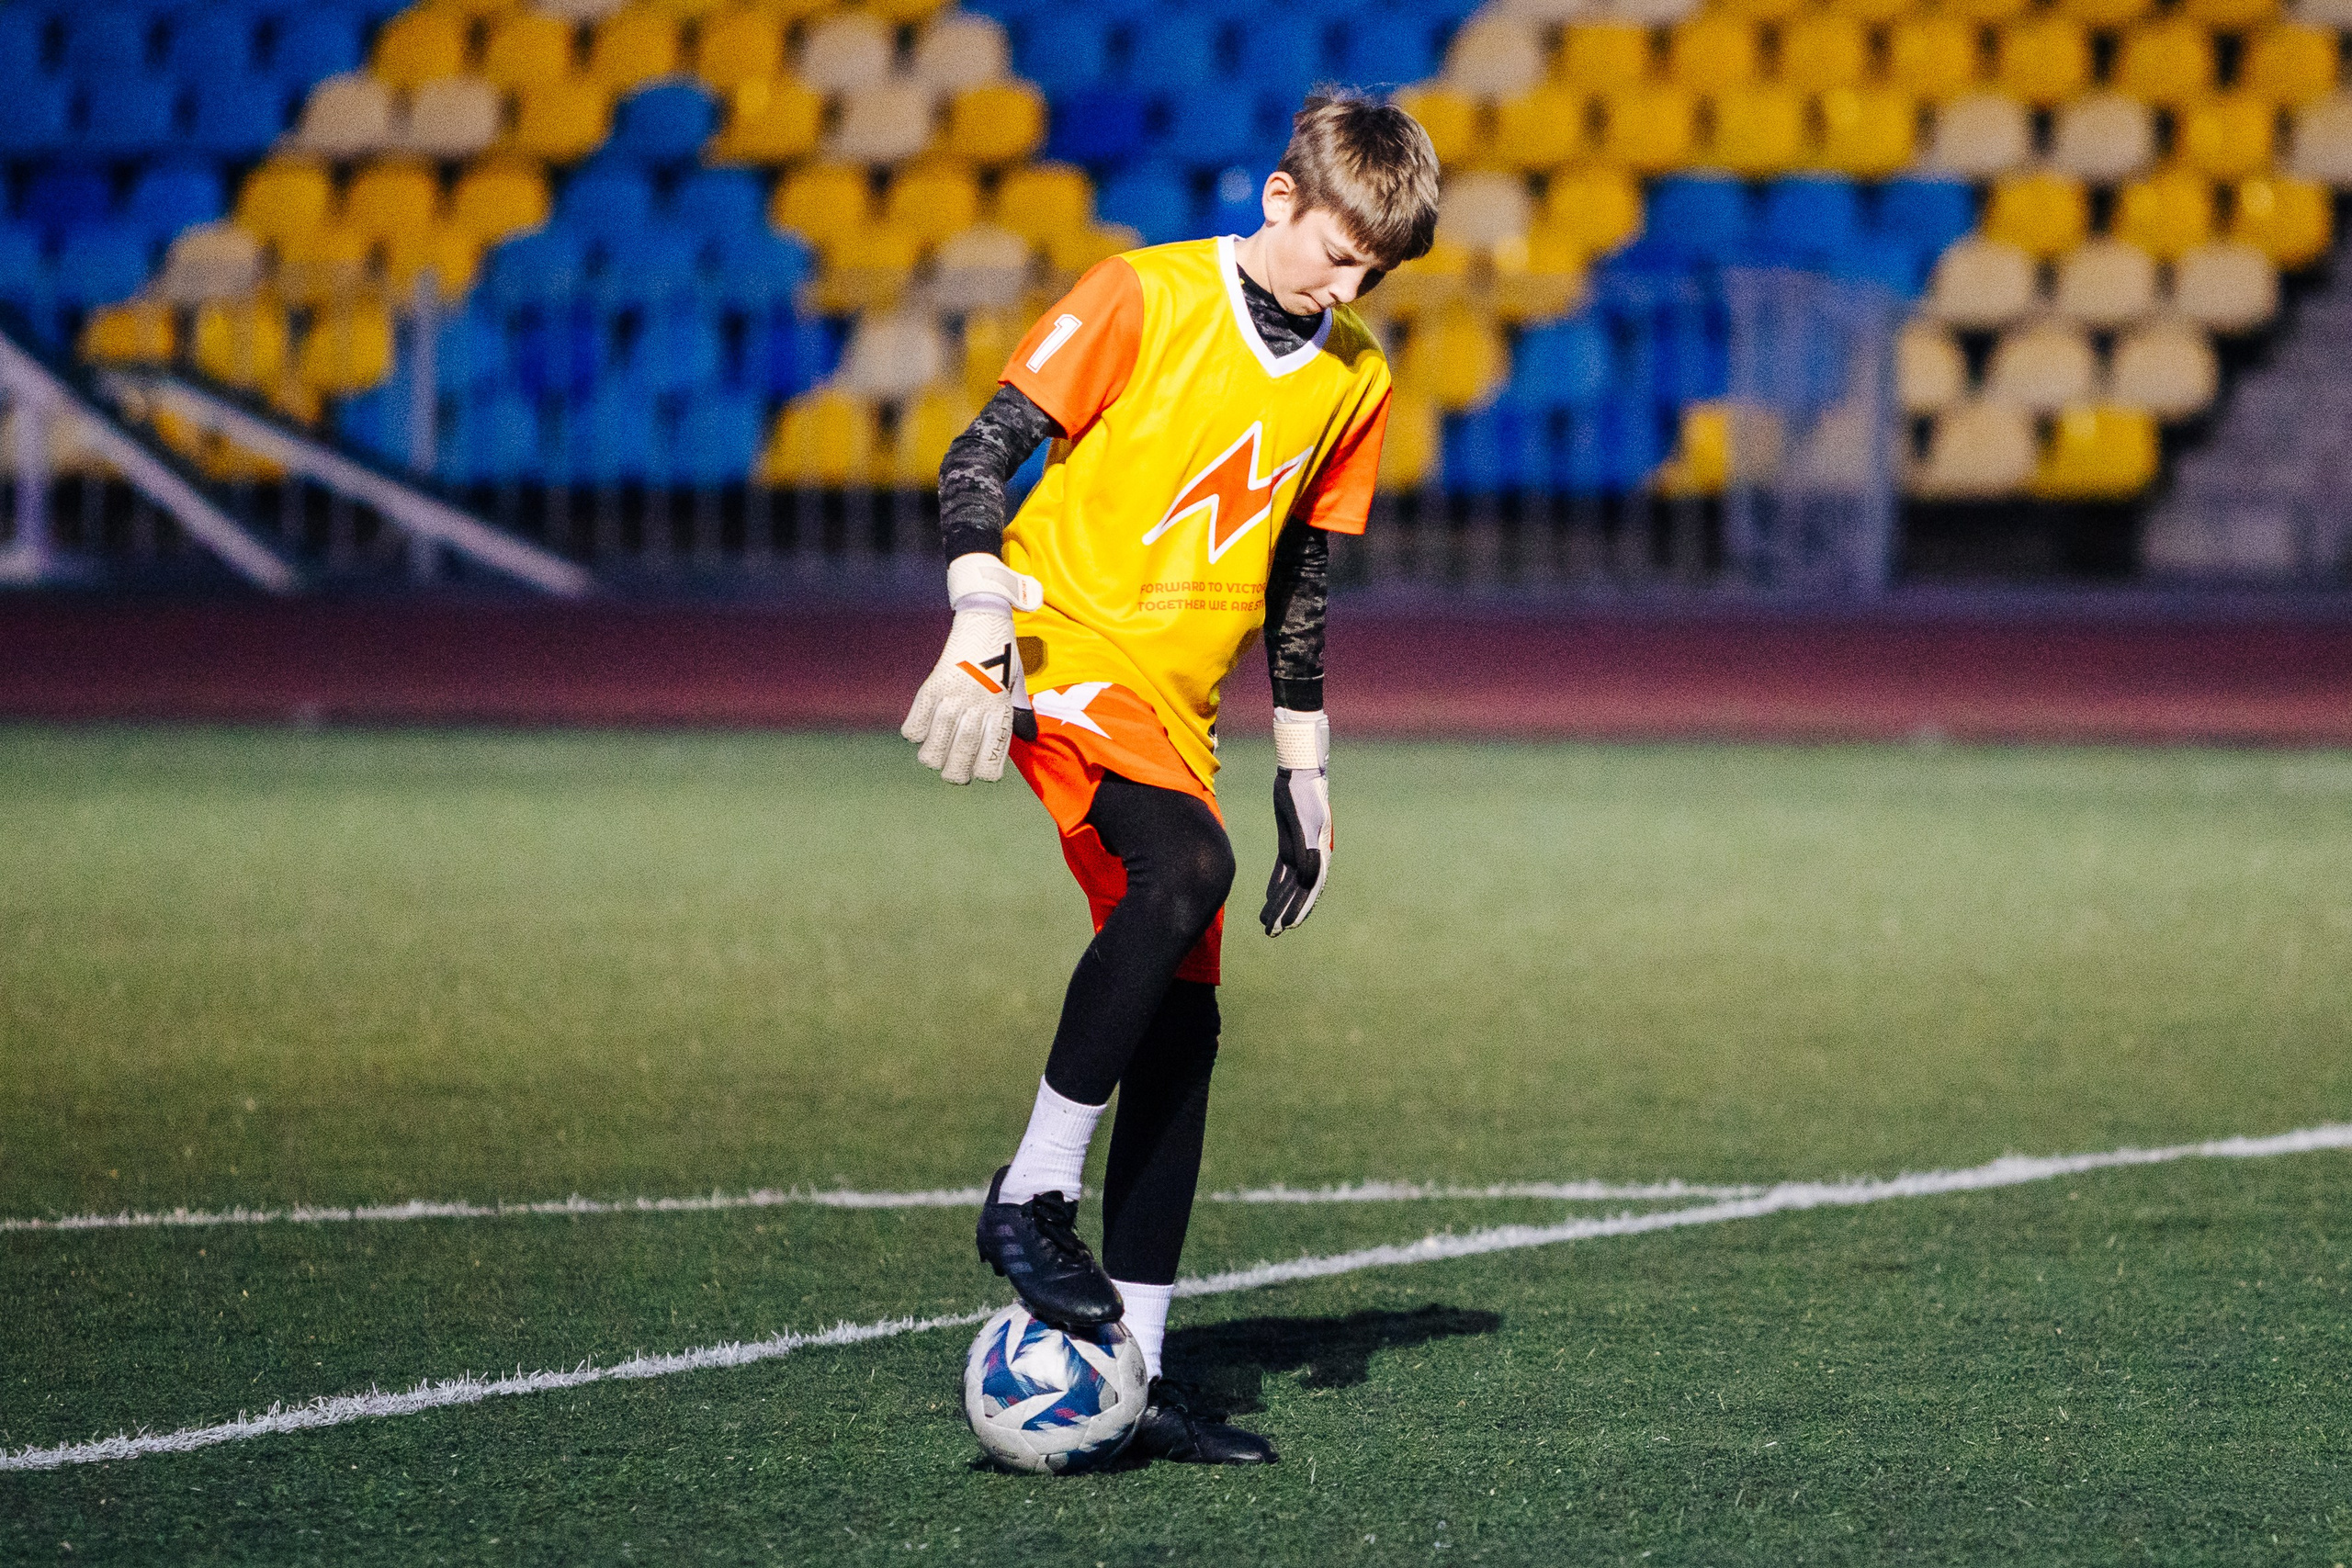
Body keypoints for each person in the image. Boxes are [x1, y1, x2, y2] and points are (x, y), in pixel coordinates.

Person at [901, 89, 1440, 1466]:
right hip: (1060, 648)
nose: (1350, 287)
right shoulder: (1140, 295)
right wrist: (977, 618)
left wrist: (1304, 767)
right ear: (1279, 198)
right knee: (1188, 868)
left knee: (1185, 1024)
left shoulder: (1356, 374)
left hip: (1178, 709)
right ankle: (1032, 1195)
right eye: (1339, 253)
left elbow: (1300, 571)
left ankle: (1132, 1372)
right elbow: (979, 452)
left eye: (1375, 272)